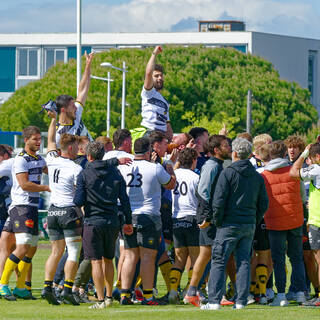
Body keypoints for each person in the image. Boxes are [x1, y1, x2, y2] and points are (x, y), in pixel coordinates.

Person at [201, 137, 269, 310]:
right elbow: (264, 204)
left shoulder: (228, 172)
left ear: (235, 153)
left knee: (219, 260)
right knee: (244, 261)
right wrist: (254, 219)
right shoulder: (256, 176)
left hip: (228, 224)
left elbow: (218, 201)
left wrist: (217, 221)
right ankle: (241, 301)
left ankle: (214, 301)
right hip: (248, 224)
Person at [74, 141, 133, 309]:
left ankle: (100, 300)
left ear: (88, 156)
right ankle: (108, 296)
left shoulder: (84, 174)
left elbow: (78, 201)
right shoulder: (115, 172)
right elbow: (125, 199)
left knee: (95, 261)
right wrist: (128, 221)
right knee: (108, 260)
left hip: (93, 221)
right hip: (112, 221)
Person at [119, 137, 176, 306]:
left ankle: (124, 295)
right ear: (148, 151)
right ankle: (149, 296)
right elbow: (170, 184)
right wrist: (170, 167)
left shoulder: (123, 167)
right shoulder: (155, 167)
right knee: (147, 257)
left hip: (128, 216)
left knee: (130, 256)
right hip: (149, 216)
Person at [0, 126, 50, 300]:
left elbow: (50, 168)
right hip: (22, 206)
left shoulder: (39, 159)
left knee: (30, 249)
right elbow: (24, 184)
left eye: (40, 139)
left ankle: (21, 287)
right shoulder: (21, 159)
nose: (38, 142)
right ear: (26, 140)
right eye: (35, 139)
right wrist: (47, 187)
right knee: (22, 246)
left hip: (32, 207)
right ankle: (3, 285)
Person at [184, 135, 231, 307]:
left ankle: (193, 292)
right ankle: (212, 293)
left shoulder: (218, 165)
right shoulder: (211, 166)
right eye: (226, 145)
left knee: (207, 256)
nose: (229, 147)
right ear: (216, 150)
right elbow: (202, 192)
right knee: (211, 256)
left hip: (211, 217)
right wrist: (206, 218)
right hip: (209, 219)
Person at [41, 112, 83, 306]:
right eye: (77, 146)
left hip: (53, 211)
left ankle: (47, 287)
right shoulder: (75, 168)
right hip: (68, 211)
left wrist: (53, 120)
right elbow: (79, 193)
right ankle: (67, 289)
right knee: (74, 252)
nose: (79, 150)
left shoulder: (51, 159)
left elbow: (50, 139)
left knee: (55, 252)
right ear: (71, 147)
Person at [261, 140, 306, 306]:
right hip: (294, 219)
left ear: (270, 154)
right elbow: (302, 196)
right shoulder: (294, 171)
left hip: (274, 221)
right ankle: (300, 292)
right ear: (285, 153)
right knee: (296, 258)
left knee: (278, 259)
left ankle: (280, 295)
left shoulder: (264, 175)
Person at [168, 148, 199, 304]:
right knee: (195, 259)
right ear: (193, 160)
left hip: (175, 219)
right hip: (191, 218)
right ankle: (189, 291)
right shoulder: (195, 177)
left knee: (179, 259)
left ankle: (173, 291)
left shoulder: (174, 175)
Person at [290, 142, 320, 306]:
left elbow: (293, 172)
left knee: (319, 261)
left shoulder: (317, 169)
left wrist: (303, 155)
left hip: (317, 221)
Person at [55, 52, 94, 148]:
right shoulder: (58, 133)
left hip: (94, 155)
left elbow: (83, 89)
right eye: (72, 106)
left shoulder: (76, 115)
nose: (76, 108)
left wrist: (88, 65)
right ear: (63, 110)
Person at [141, 46, 173, 140]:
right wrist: (154, 54)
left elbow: (167, 124)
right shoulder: (148, 92)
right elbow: (148, 73)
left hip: (161, 136)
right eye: (156, 76)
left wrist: (171, 141)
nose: (159, 78)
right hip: (150, 132)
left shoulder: (165, 102)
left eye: (161, 76)